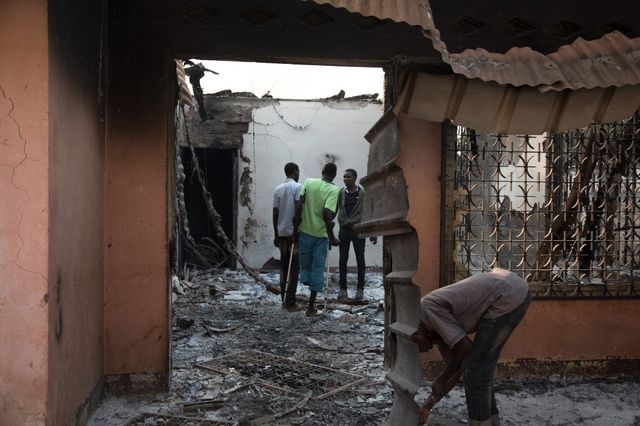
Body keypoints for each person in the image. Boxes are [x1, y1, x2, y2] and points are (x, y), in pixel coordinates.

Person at [410, 268, 531, 426]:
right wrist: (429, 404)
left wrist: (441, 378)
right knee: (478, 370)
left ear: (418, 331)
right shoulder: (435, 331)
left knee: (475, 369)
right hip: (511, 290)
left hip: (508, 295)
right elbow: (457, 368)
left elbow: (466, 350)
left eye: (416, 345)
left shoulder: (428, 309)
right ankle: (492, 422)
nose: (421, 351)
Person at [295, 163, 340, 317]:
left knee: (305, 263)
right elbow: (327, 212)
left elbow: (299, 205)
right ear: (334, 175)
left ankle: (307, 283)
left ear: (322, 172)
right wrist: (332, 235)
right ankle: (310, 307)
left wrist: (296, 227)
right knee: (318, 268)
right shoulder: (334, 190)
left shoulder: (308, 182)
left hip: (305, 230)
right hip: (321, 235)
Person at [336, 168, 377, 301]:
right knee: (343, 260)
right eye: (344, 177)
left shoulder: (363, 193)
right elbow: (336, 209)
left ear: (354, 178)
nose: (345, 179)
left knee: (360, 259)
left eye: (348, 177)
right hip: (344, 230)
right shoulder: (341, 193)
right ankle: (343, 289)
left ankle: (360, 289)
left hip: (358, 230)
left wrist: (372, 232)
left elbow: (369, 211)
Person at [272, 162, 303, 311]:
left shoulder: (277, 189)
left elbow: (275, 214)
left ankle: (283, 299)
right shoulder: (297, 187)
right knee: (294, 267)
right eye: (298, 172)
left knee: (284, 267)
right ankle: (290, 302)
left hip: (282, 233)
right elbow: (298, 210)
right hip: (293, 234)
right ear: (295, 172)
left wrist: (276, 235)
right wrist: (296, 232)